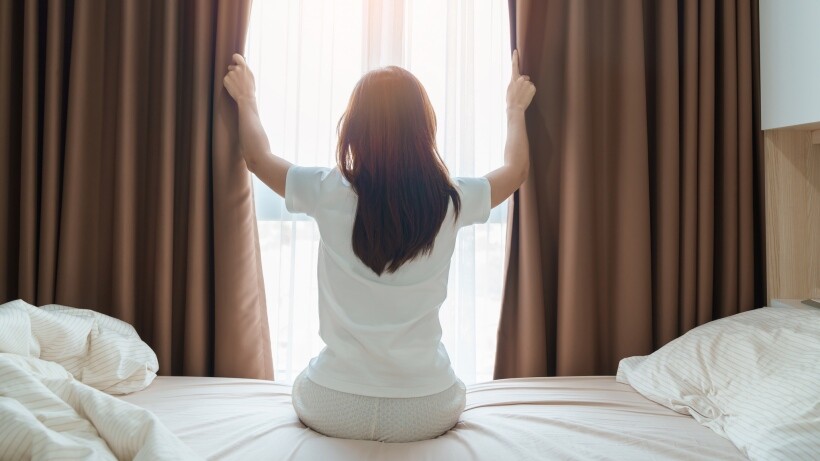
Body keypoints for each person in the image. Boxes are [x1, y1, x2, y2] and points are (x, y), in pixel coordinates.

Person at [223, 50, 535, 443]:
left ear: (354, 129)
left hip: (333, 404)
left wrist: (247, 99)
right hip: (426, 406)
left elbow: (257, 157)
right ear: (424, 129)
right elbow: (516, 171)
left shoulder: (325, 190)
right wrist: (514, 108)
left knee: (306, 377)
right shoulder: (451, 200)